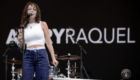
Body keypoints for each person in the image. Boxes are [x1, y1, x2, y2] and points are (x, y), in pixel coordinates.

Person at [18, 2, 59, 80]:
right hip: (28, 55)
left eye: (34, 9)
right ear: (26, 12)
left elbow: (49, 43)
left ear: (37, 12)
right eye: (29, 9)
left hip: (41, 54)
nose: (32, 11)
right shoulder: (22, 27)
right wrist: (20, 41)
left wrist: (53, 58)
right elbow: (21, 48)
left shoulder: (42, 24)